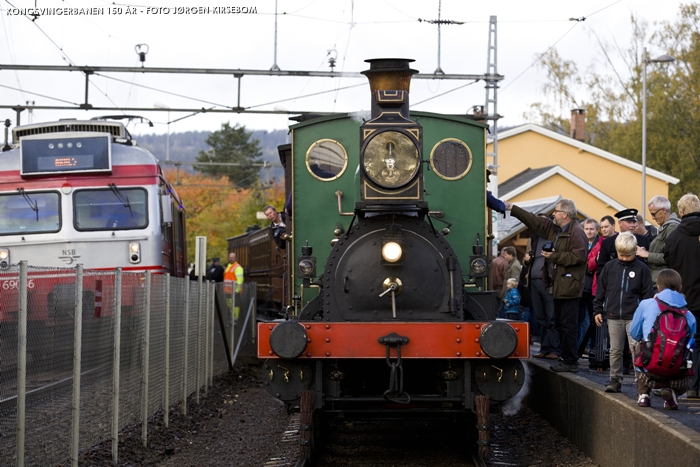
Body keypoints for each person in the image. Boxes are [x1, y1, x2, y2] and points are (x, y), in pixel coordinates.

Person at [504, 198, 587, 372]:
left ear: (565, 214)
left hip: (569, 287)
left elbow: (579, 257)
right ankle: (565, 359)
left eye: (556, 211)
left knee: (568, 326)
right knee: (559, 324)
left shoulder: (576, 232)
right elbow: (534, 220)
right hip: (558, 285)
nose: (553, 214)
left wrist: (554, 256)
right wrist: (513, 208)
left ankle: (570, 362)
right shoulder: (555, 230)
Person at [593, 232, 653, 393]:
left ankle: (642, 381)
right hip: (613, 315)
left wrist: (646, 316)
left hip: (634, 316)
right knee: (615, 349)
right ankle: (615, 379)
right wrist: (597, 309)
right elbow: (601, 290)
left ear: (636, 251)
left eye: (629, 255)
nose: (625, 258)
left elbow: (647, 295)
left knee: (637, 349)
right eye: (622, 255)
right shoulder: (610, 267)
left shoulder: (642, 269)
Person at [631, 269, 697, 409]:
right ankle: (671, 394)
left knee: (638, 344)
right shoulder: (689, 314)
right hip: (678, 378)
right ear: (680, 288)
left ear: (658, 287)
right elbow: (690, 340)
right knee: (685, 351)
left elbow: (634, 333)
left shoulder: (646, 304)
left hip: (648, 374)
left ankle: (644, 395)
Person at [664, 193, 700, 399]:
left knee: (677, 341)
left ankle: (677, 385)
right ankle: (697, 385)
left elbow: (669, 267)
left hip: (681, 300)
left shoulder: (674, 237)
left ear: (681, 212)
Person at [523, 213, 560, 359]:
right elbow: (526, 261)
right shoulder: (533, 238)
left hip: (549, 282)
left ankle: (555, 349)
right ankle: (544, 349)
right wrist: (526, 261)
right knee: (540, 318)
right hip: (533, 282)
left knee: (552, 318)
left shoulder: (555, 237)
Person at [635, 196, 680, 289]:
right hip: (660, 282)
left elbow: (670, 257)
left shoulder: (672, 228)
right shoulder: (665, 227)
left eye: (653, 214)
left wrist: (647, 255)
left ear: (663, 210)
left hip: (664, 284)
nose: (652, 218)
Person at [579, 218, 599, 351]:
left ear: (597, 230)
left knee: (593, 320)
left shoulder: (600, 244)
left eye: (592, 229)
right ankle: (580, 347)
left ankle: (593, 348)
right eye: (586, 229)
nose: (589, 231)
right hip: (581, 287)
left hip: (594, 287)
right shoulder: (580, 243)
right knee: (580, 319)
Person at [224, 252, 244, 319]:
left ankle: (235, 319)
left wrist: (237, 290)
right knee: (230, 306)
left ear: (235, 258)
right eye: (230, 257)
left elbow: (240, 280)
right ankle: (231, 318)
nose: (231, 259)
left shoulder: (238, 268)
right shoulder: (228, 267)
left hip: (234, 291)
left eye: (232, 257)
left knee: (235, 306)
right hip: (228, 291)